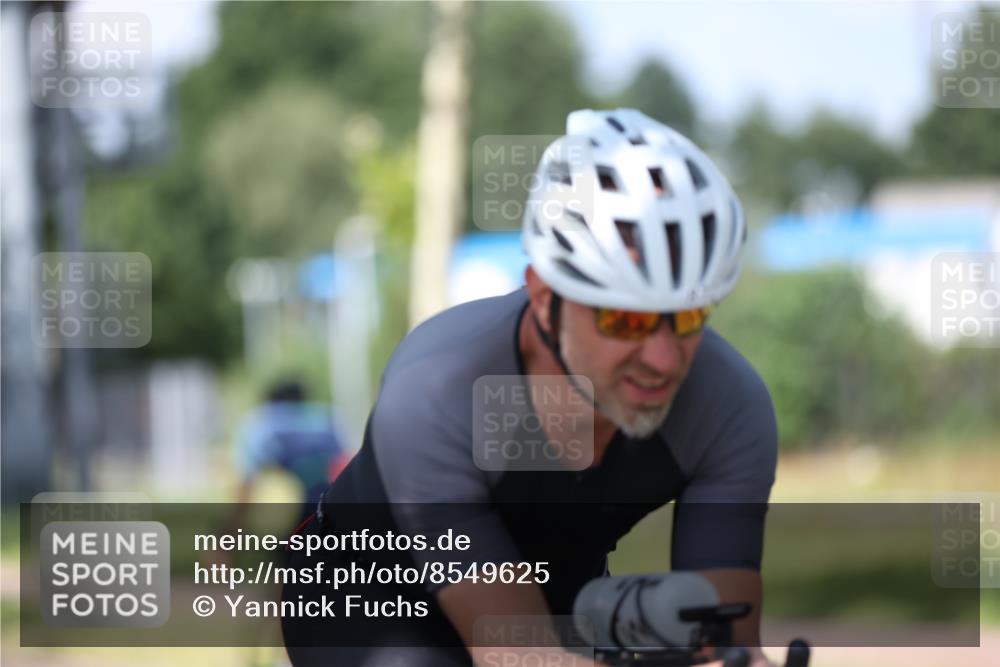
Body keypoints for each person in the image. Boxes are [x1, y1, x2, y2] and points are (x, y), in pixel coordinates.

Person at [281, 109, 779, 667]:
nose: (663, 359)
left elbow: (725, 645)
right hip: (366, 597)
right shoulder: (436, 392)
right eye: (626, 320)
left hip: (555, 594)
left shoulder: (731, 407)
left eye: (688, 317)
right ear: (544, 297)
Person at [233, 379, 351, 526]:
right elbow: (344, 461)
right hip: (332, 499)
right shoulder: (326, 417)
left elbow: (247, 481)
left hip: (298, 505)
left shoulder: (263, 420)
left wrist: (231, 531)